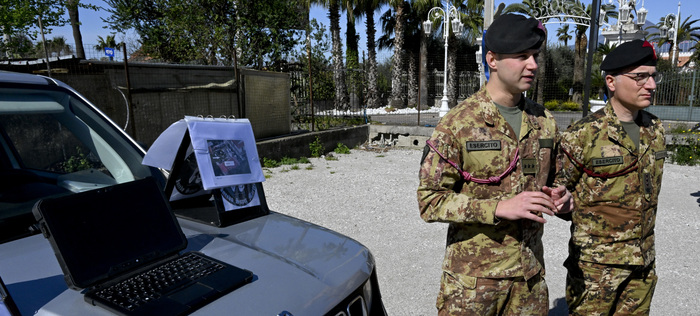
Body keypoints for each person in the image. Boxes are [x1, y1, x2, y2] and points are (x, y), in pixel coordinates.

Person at [417, 13, 573, 315]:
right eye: (522, 56)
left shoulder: (544, 122)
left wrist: (563, 201)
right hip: (474, 286)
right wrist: (498, 208)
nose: (533, 65)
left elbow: (557, 182)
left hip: (528, 283)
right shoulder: (458, 123)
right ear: (492, 59)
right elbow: (429, 201)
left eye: (535, 56)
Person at [554, 39, 666, 315]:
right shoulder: (584, 134)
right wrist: (565, 205)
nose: (650, 85)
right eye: (640, 77)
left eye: (653, 76)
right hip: (596, 269)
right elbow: (558, 191)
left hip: (643, 264)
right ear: (611, 82)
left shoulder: (656, 129)